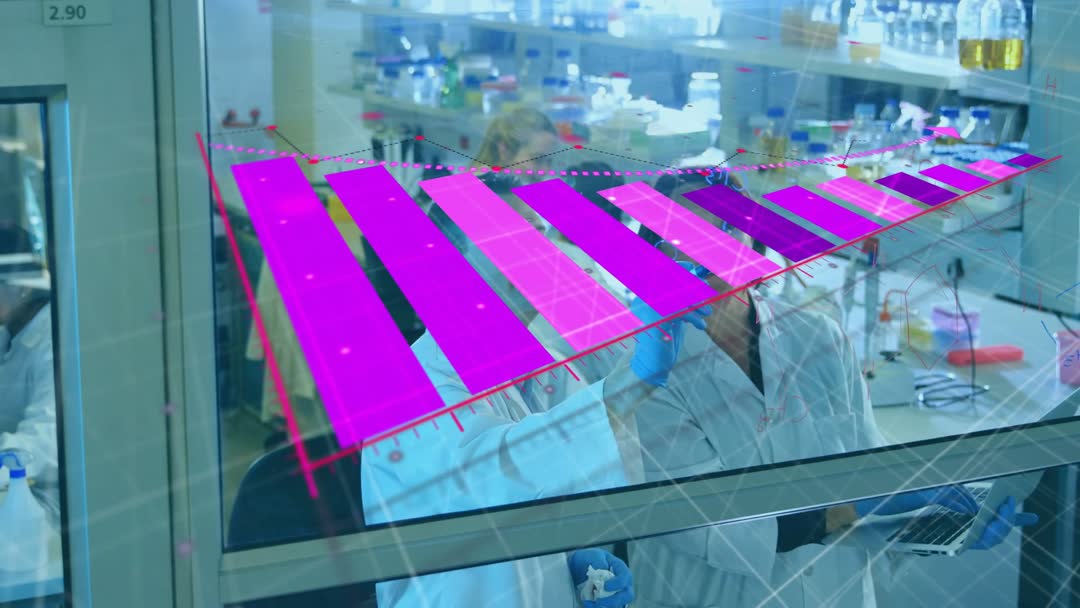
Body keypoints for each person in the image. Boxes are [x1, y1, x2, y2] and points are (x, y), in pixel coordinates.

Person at [626, 170, 1037, 608]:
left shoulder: (817, 336)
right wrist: (868, 506)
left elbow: (868, 471)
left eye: (726, 227)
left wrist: (935, 526)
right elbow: (712, 527)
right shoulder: (637, 367)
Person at [360, 109, 711, 607]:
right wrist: (628, 383)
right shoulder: (410, 386)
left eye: (538, 237)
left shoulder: (545, 369)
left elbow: (584, 477)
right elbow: (491, 478)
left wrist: (580, 559)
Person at [0, 223, 57, 496]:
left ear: (22, 286)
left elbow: (46, 441)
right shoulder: (9, 331)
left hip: (49, 502)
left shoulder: (54, 340)